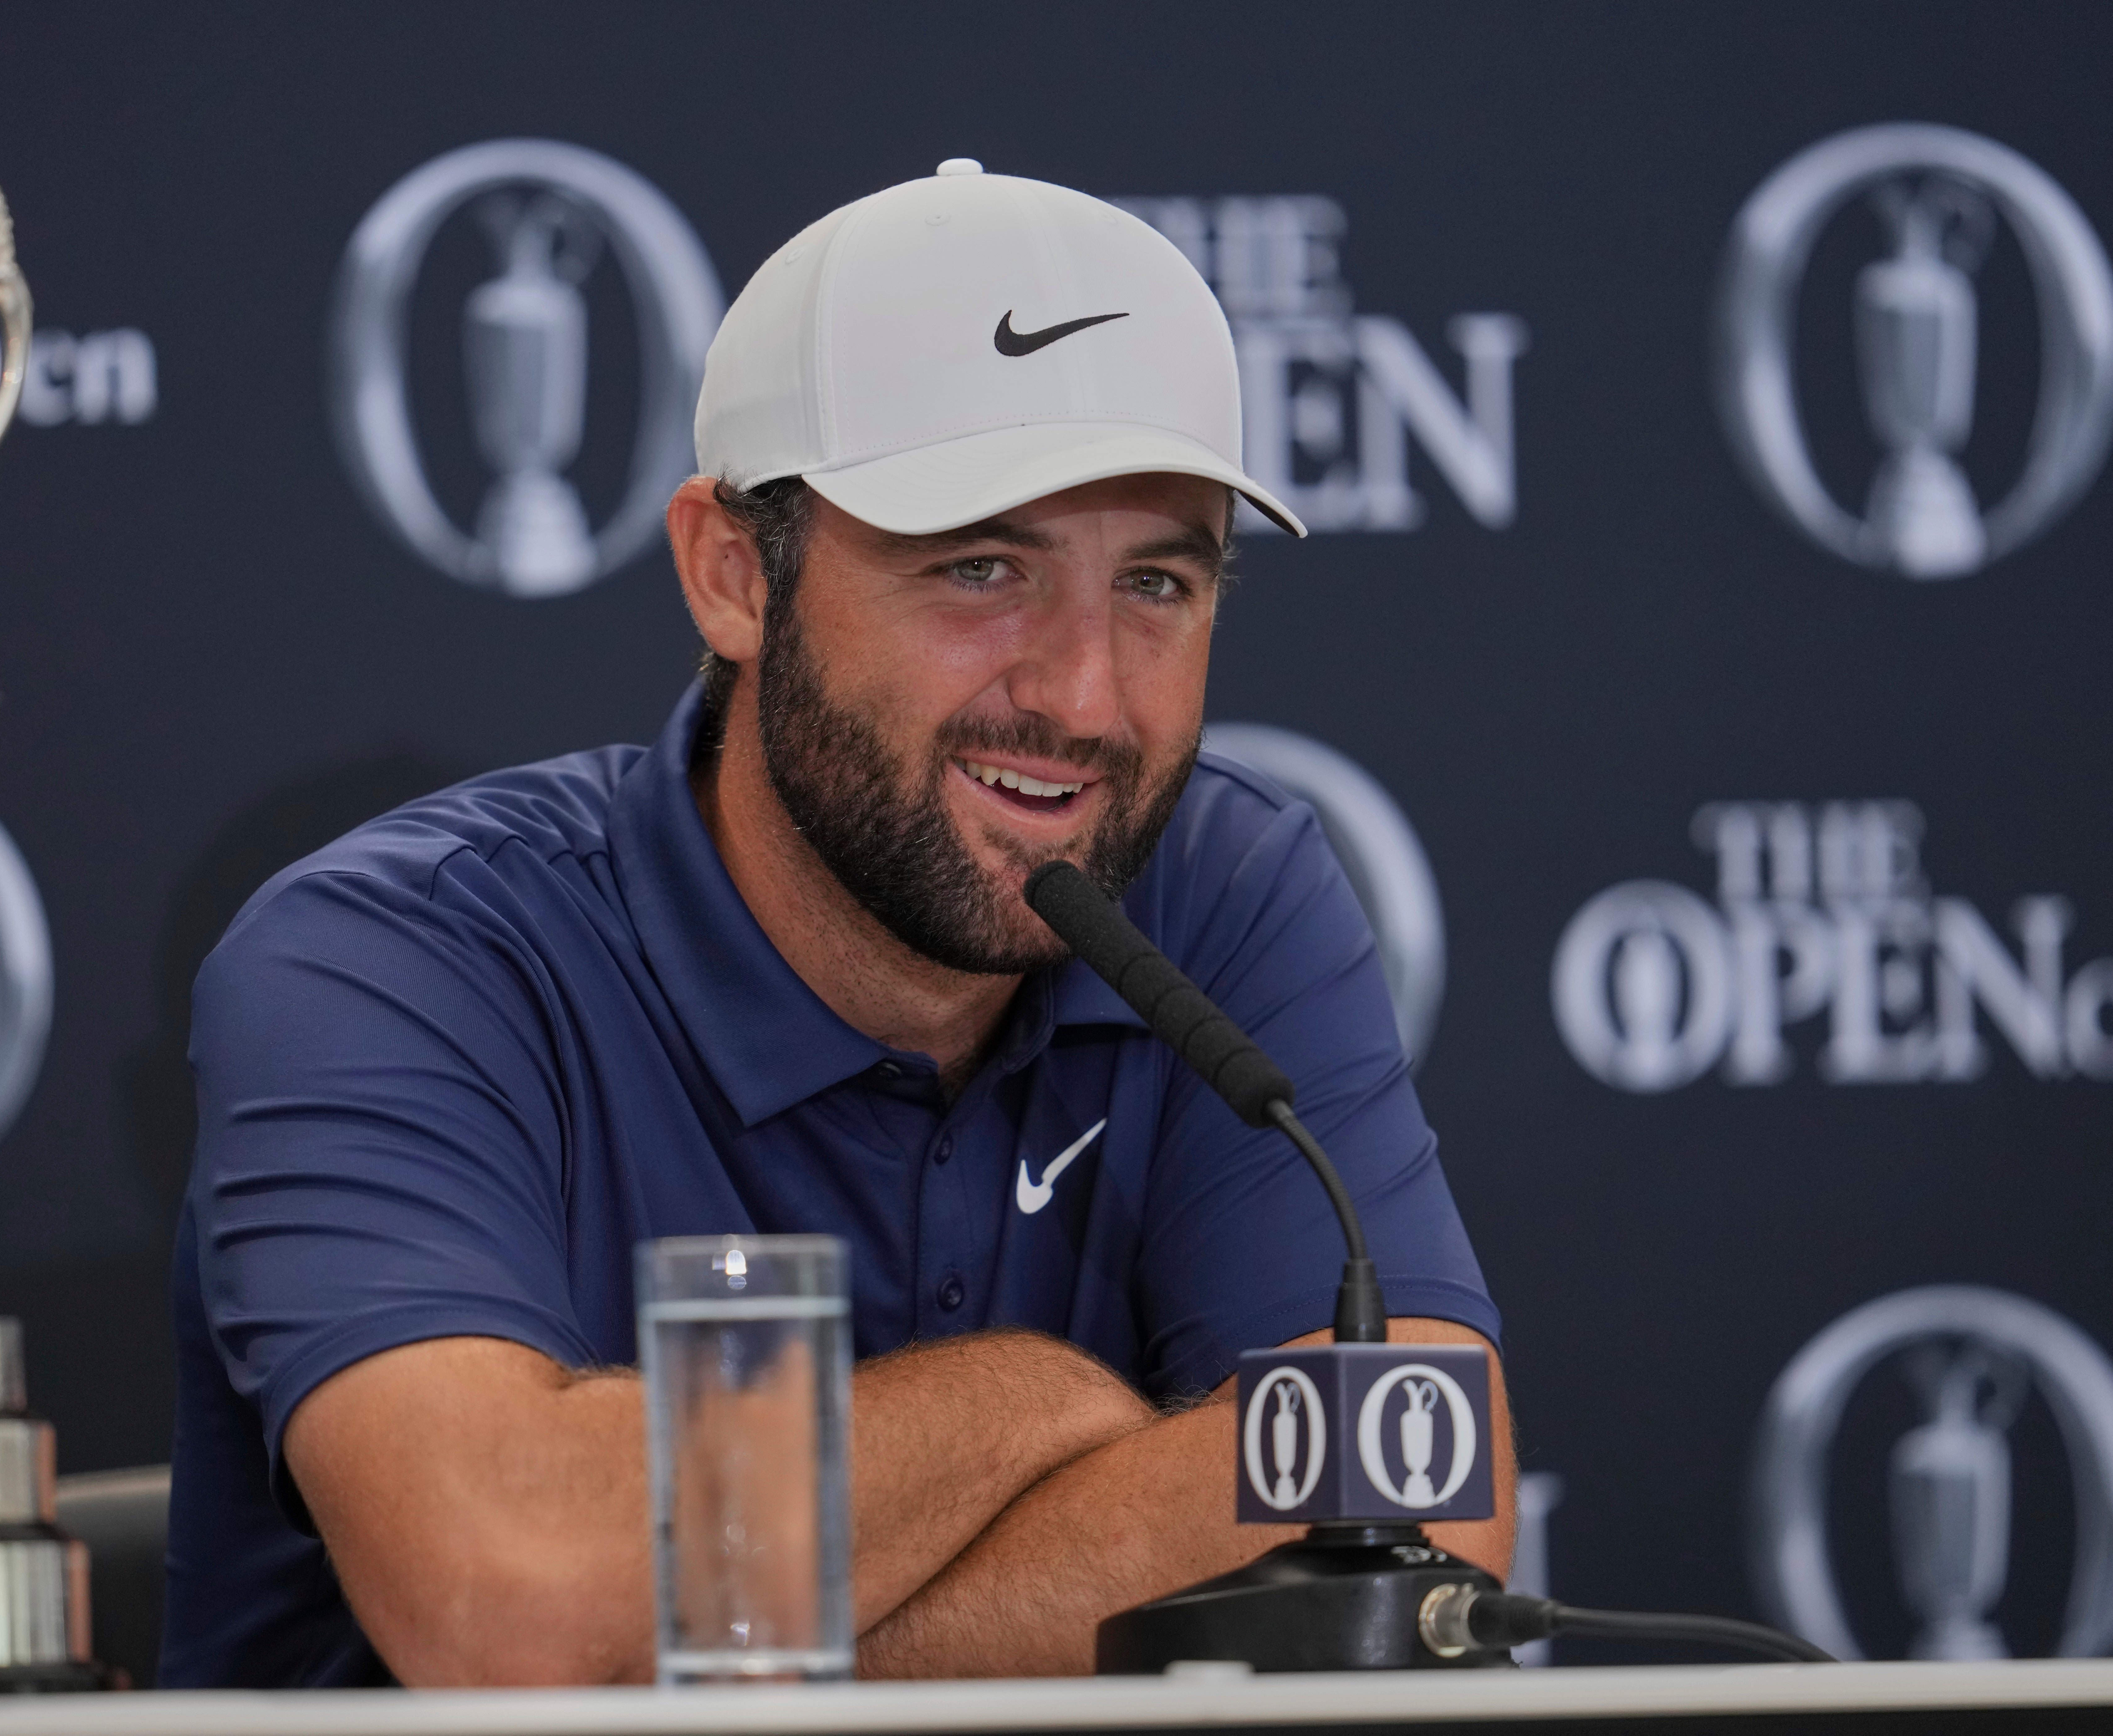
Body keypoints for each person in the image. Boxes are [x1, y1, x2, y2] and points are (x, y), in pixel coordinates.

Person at [160, 159, 1511, 1688]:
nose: (1082, 698)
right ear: (733, 575)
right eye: (979, 568)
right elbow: (510, 1600)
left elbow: (1422, 1518)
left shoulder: (1221, 891)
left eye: (1155, 582)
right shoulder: (391, 957)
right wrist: (1031, 1405)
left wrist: (711, 1621)